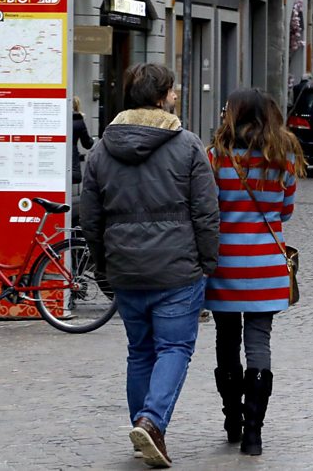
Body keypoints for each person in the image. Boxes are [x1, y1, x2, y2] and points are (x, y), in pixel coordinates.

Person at [79, 63, 220, 468]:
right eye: (172, 91)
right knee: (174, 347)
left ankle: (144, 430)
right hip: (177, 269)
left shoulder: (102, 149)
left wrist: (103, 266)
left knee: (140, 352)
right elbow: (206, 212)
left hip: (125, 268)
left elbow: (90, 217)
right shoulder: (187, 145)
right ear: (161, 97)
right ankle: (151, 422)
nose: (176, 96)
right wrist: (207, 261)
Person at [207, 88, 306, 456]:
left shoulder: (216, 157)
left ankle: (232, 419)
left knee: (226, 340)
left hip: (224, 264)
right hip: (267, 266)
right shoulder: (284, 156)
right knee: (259, 343)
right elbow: (285, 212)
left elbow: (208, 209)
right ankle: (253, 434)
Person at [71, 96, 94, 185]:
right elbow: (87, 144)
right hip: (72, 161)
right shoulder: (79, 121)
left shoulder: (57, 119)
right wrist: (92, 140)